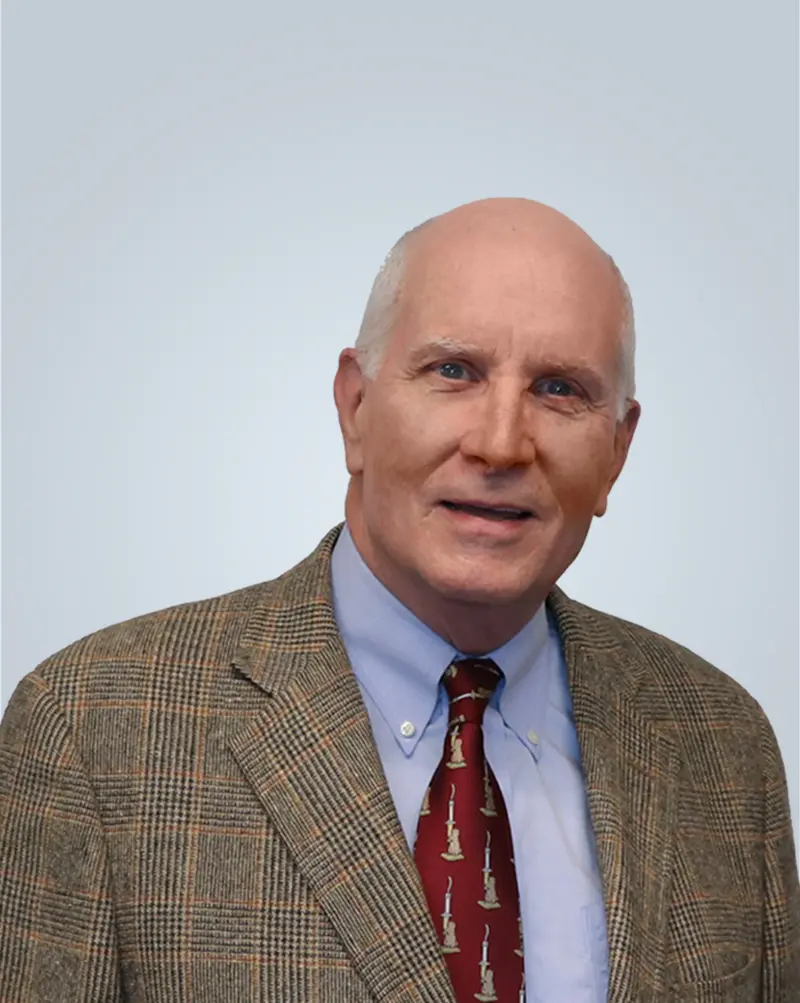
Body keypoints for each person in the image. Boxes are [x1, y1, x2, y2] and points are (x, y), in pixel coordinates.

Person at [0, 198, 797, 1003]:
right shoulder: (93, 729)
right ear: (355, 407)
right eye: (454, 371)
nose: (499, 443)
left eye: (559, 388)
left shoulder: (725, 744)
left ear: (618, 450)